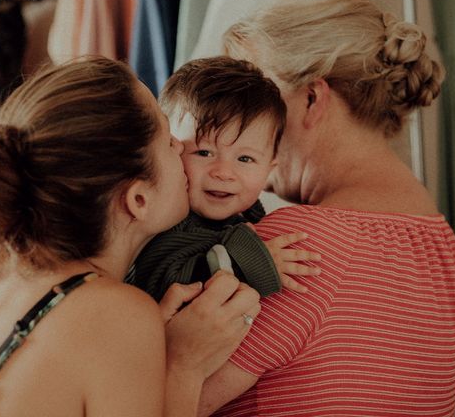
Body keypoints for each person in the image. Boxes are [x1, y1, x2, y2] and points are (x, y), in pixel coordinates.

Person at [0, 56, 261, 417]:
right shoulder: (112, 310)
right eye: (165, 136)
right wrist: (182, 367)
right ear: (138, 199)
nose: (181, 145)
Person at [196, 0, 455, 416]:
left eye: (258, 102)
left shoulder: (295, 247)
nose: (241, 123)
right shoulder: (440, 244)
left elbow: (168, 403)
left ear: (311, 98)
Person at [130, 56, 321, 301]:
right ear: (172, 147)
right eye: (204, 152)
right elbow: (166, 280)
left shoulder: (252, 216)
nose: (223, 172)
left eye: (245, 159)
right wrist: (251, 261)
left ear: (269, 168)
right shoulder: (168, 222)